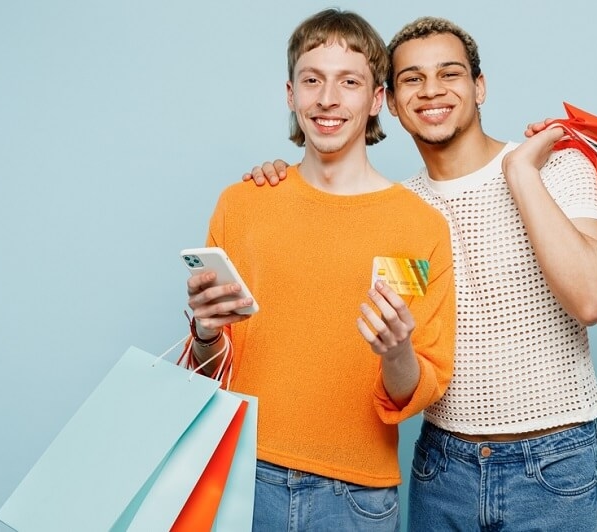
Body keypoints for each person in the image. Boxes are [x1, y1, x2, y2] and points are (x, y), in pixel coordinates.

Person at [245, 16, 597, 532]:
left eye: (450, 74)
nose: (432, 91)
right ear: (392, 102)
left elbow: (594, 299)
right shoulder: (400, 210)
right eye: (412, 79)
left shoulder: (554, 168)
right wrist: (279, 183)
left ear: (479, 87)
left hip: (554, 462)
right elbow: (402, 343)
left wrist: (520, 175)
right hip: (442, 465)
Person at [184, 9, 456, 531]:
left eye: (348, 82)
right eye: (312, 80)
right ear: (291, 94)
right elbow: (206, 372)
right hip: (238, 475)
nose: (327, 99)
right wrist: (203, 333)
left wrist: (398, 350)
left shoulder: (417, 226)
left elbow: (413, 392)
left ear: (376, 99)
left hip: (356, 496)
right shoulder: (242, 204)